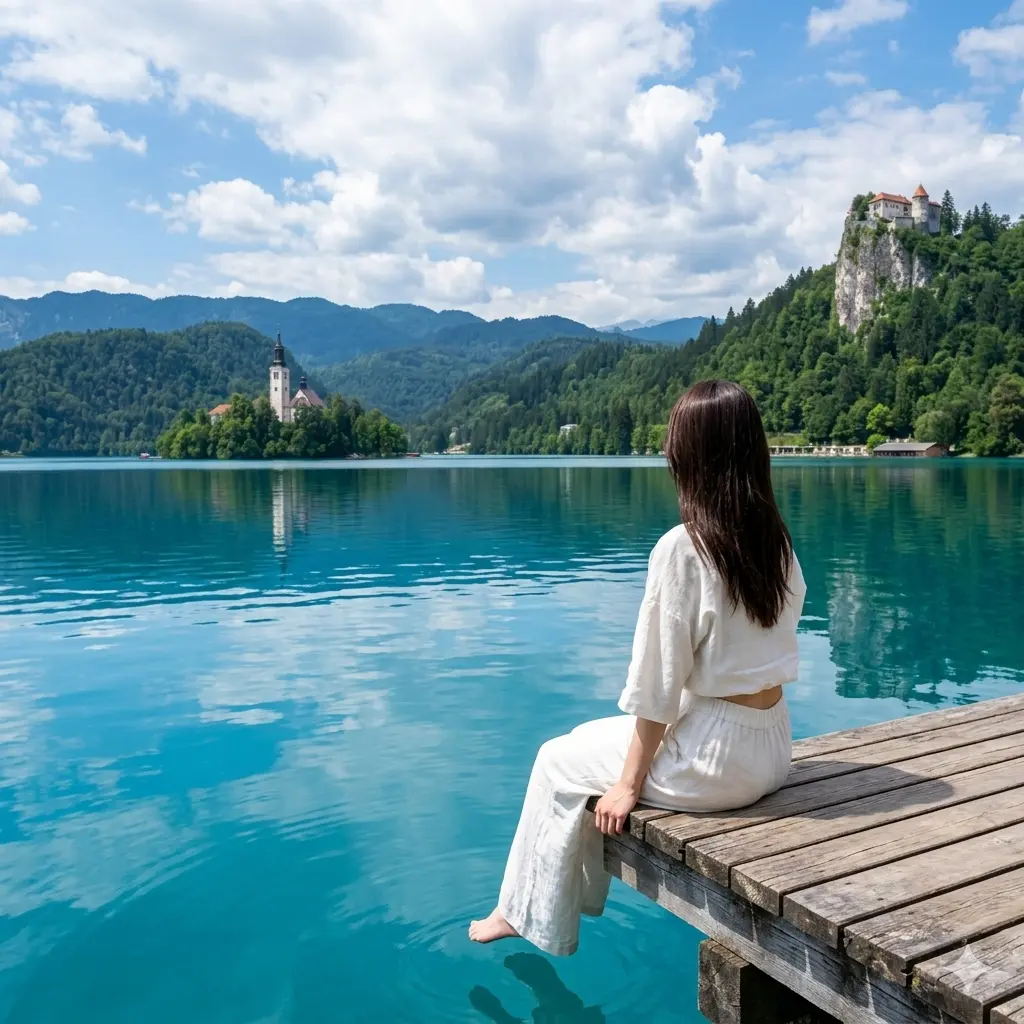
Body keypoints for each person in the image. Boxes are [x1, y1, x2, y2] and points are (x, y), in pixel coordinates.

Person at [469, 379, 806, 956]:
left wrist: (627, 785)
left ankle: (528, 913)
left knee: (556, 760)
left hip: (714, 764)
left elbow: (656, 690)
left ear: (691, 457)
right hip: (772, 748)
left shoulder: (685, 548)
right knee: (582, 742)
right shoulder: (772, 540)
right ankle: (548, 898)